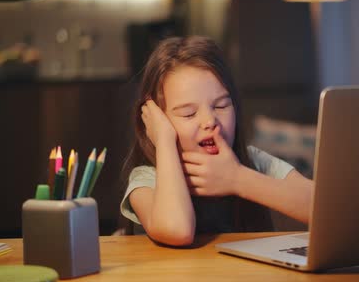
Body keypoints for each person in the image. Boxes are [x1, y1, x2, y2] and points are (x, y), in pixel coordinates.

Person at [120, 36, 313, 246]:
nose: (210, 121)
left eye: (221, 106)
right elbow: (176, 230)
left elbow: (329, 211)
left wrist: (238, 179)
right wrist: (164, 142)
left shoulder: (252, 161)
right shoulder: (148, 179)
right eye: (188, 113)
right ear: (156, 120)